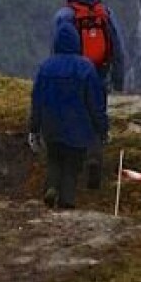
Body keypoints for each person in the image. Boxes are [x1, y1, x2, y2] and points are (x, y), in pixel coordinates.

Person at [51, 0, 126, 189]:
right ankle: (94, 158)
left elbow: (56, 49)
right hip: (99, 74)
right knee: (95, 118)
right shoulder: (105, 14)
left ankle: (69, 172)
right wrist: (118, 82)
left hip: (72, 75)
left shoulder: (64, 16)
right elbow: (118, 48)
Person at [29, 20, 108, 210]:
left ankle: (51, 187)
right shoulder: (86, 68)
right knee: (72, 165)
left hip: (51, 126)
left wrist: (34, 128)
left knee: (55, 159)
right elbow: (95, 103)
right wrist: (102, 127)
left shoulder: (46, 67)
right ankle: (67, 200)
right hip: (78, 127)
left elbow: (36, 100)